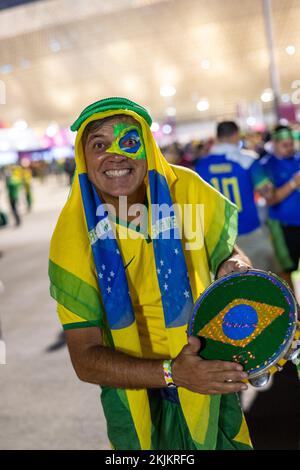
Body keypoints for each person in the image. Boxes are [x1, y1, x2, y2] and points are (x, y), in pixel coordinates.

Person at [49, 97, 253, 450]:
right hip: (138, 399)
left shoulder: (185, 190)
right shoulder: (74, 235)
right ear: (84, 158)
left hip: (209, 374)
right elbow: (85, 359)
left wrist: (233, 265)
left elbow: (226, 250)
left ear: (149, 149)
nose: (116, 155)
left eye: (129, 141)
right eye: (99, 144)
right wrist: (175, 374)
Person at [195, 121, 278, 272]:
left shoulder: (201, 166)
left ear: (217, 137)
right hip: (250, 231)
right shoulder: (248, 160)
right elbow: (267, 193)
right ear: (236, 135)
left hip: (220, 238)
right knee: (265, 284)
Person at [256, 125, 300, 284]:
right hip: (284, 226)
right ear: (274, 143)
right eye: (285, 145)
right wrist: (293, 184)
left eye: (291, 144)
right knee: (286, 271)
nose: (289, 148)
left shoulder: (298, 158)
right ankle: (294, 307)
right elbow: (270, 199)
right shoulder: (265, 165)